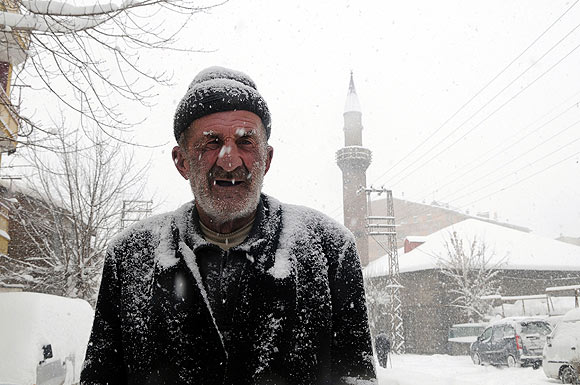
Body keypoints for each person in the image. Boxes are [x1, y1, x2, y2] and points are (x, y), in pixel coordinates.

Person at [81, 66, 377, 385]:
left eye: (246, 142)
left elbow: (355, 376)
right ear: (181, 161)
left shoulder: (329, 250)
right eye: (211, 143)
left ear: (267, 158)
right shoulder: (130, 257)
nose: (229, 160)